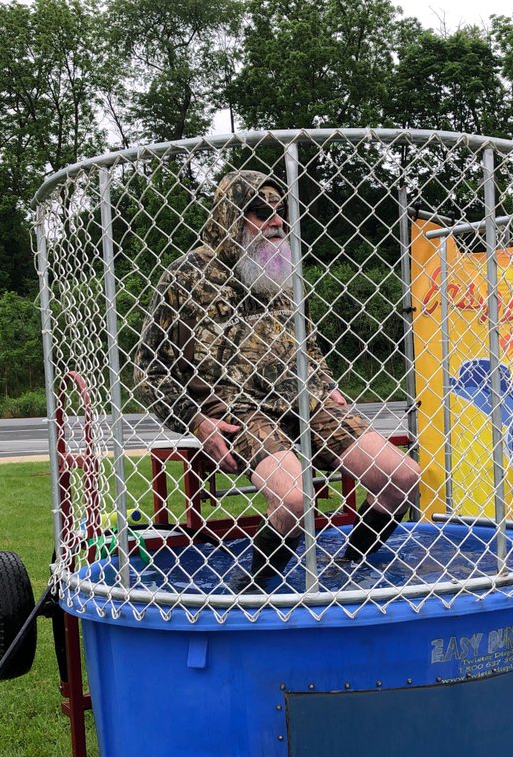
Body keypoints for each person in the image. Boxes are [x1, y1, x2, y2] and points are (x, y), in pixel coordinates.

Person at [135, 169, 421, 591]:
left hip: (308, 401)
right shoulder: (186, 275)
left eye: (280, 212)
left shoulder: (280, 270)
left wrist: (326, 382)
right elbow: (148, 371)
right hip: (236, 411)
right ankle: (250, 591)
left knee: (403, 477)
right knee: (294, 500)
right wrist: (197, 420)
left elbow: (308, 343)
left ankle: (349, 569)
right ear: (231, 215)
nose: (276, 222)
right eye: (259, 211)